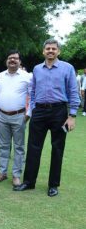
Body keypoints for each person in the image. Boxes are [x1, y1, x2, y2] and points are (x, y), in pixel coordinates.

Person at [14, 39, 80, 197]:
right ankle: (29, 182)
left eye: (53, 49)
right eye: (48, 49)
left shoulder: (67, 68)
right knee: (33, 147)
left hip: (59, 112)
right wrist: (34, 109)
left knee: (57, 148)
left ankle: (53, 185)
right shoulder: (37, 69)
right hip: (40, 112)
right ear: (43, 51)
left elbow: (73, 92)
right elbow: (34, 91)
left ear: (58, 51)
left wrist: (71, 116)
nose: (50, 51)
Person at [0, 50, 31, 186]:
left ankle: (16, 175)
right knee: (3, 146)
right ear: (6, 61)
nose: (12, 60)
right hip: (2, 116)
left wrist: (28, 114)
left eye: (15, 58)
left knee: (19, 147)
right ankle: (2, 172)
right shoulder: (0, 76)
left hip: (19, 116)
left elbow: (32, 97)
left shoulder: (27, 77)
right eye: (10, 58)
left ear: (20, 61)